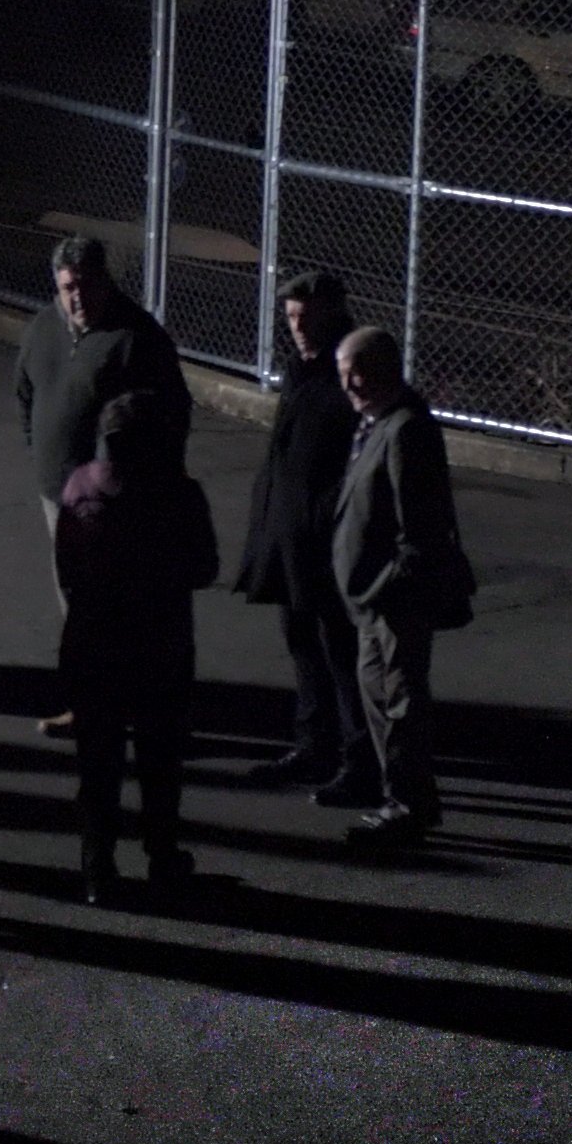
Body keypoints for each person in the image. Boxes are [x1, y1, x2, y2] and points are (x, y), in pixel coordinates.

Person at [11, 234, 187, 737]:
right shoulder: (45, 328)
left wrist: (129, 482)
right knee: (76, 605)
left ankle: (125, 709)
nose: (77, 298)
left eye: (86, 286)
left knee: (115, 608)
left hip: (113, 505)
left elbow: (169, 416)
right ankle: (92, 704)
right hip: (59, 495)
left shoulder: (136, 339)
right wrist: (42, 452)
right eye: (67, 287)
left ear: (105, 281)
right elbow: (25, 392)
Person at [57, 393, 216, 904]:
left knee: (98, 761)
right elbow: (204, 568)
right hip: (158, 643)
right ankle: (162, 857)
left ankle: (97, 865)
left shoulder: (80, 485)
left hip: (93, 640)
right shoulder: (179, 493)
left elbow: (66, 565)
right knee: (160, 759)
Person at [331, 325, 474, 847]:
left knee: (399, 702)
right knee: (383, 698)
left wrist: (385, 587)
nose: (350, 384)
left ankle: (407, 805)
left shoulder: (405, 430)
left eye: (359, 371)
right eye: (344, 373)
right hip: (373, 600)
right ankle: (406, 798)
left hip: (392, 601)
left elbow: (420, 529)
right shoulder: (373, 424)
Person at [238, 270, 366, 798]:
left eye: (307, 316)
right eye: (291, 317)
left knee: (339, 646)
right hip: (291, 530)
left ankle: (358, 758)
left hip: (325, 535)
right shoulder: (301, 368)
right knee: (302, 640)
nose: (298, 327)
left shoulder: (347, 371)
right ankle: (314, 745)